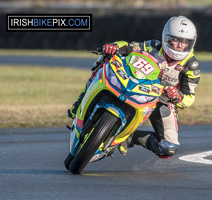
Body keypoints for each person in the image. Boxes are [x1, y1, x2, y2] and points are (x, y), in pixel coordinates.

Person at [67, 16, 201, 158]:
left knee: (167, 149)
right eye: (175, 40)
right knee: (107, 56)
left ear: (192, 43)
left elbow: (189, 97)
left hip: (163, 100)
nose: (180, 45)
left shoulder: (191, 66)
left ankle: (129, 137)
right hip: (139, 83)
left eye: (185, 42)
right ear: (166, 37)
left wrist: (177, 96)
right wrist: (115, 46)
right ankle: (80, 100)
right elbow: (130, 46)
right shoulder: (154, 46)